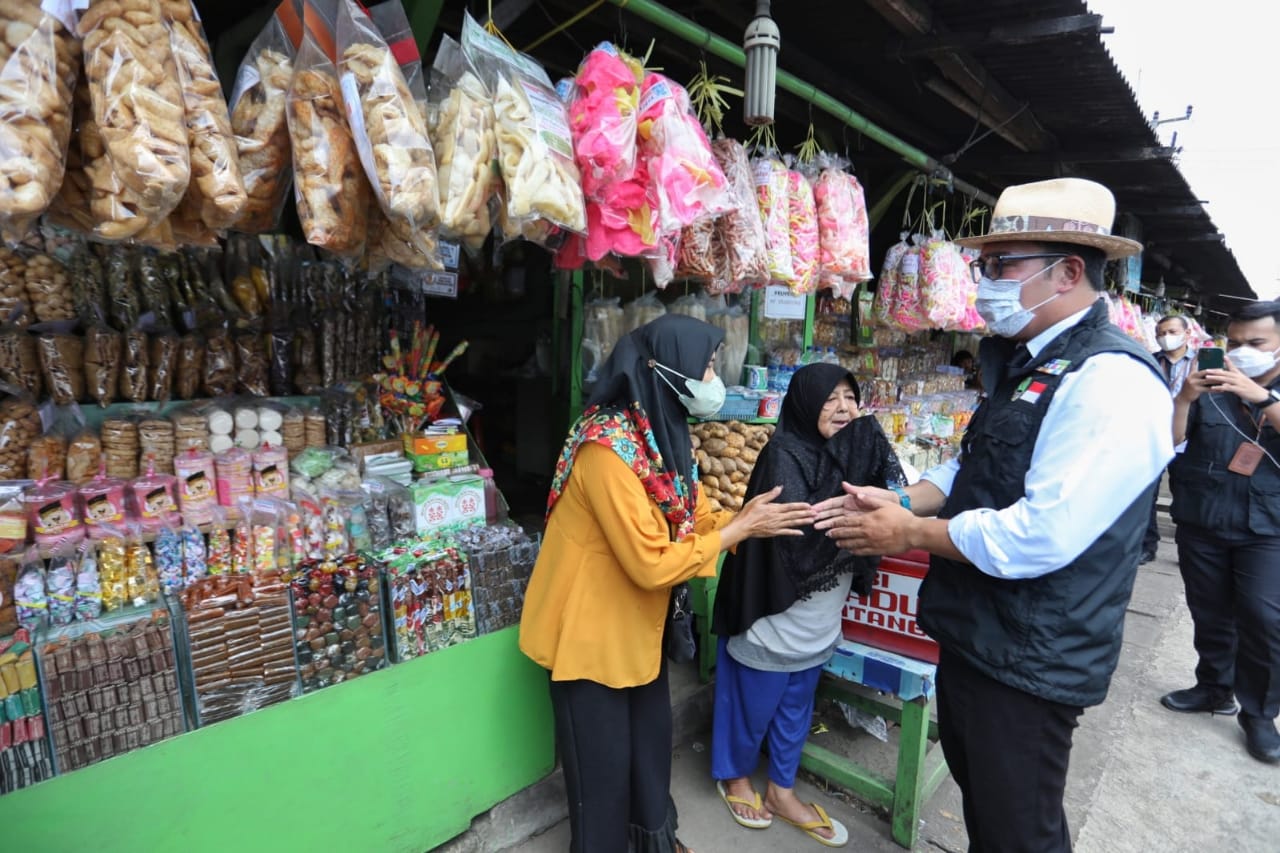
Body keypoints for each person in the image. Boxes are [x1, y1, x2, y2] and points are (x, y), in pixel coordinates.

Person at [813, 178, 1173, 852]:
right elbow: (969, 468)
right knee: (991, 820)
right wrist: (899, 499)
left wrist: (910, 533)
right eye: (986, 265)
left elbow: (1042, 533)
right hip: (981, 636)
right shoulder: (1030, 365)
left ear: (1068, 271)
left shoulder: (1111, 380)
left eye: (1003, 265)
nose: (985, 282)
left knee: (1019, 833)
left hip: (1031, 658)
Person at [519, 314, 816, 853]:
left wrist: (745, 519)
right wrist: (739, 532)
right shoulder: (606, 451)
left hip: (638, 630)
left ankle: (652, 841)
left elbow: (696, 516)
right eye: (704, 366)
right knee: (601, 777)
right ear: (666, 369)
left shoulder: (662, 436)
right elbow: (652, 563)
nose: (710, 378)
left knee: (649, 752)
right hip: (588, 639)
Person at [709, 364, 904, 848]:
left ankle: (781, 790)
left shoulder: (855, 451)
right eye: (830, 398)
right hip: (772, 610)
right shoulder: (782, 454)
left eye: (850, 397)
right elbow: (800, 538)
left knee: (797, 705)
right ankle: (734, 777)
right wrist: (860, 520)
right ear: (803, 402)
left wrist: (871, 459)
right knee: (753, 703)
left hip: (819, 616)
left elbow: (894, 496)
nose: (843, 408)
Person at [1160, 300, 1280, 764]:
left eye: (1257, 343)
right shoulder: (1208, 387)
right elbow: (1167, 440)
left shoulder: (1259, 390)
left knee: (1265, 620)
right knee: (1209, 610)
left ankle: (1260, 714)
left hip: (1267, 527)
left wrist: (1261, 396)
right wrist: (1185, 397)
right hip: (1203, 517)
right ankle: (1213, 688)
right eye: (1234, 342)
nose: (1242, 351)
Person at [1141, 314, 1198, 562]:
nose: (1166, 337)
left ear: (1187, 334)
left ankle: (1189, 548)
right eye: (1161, 333)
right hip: (1155, 436)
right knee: (1147, 493)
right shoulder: (1150, 361)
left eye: (1172, 332)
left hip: (1190, 439)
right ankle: (1147, 544)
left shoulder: (1201, 364)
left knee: (1188, 494)